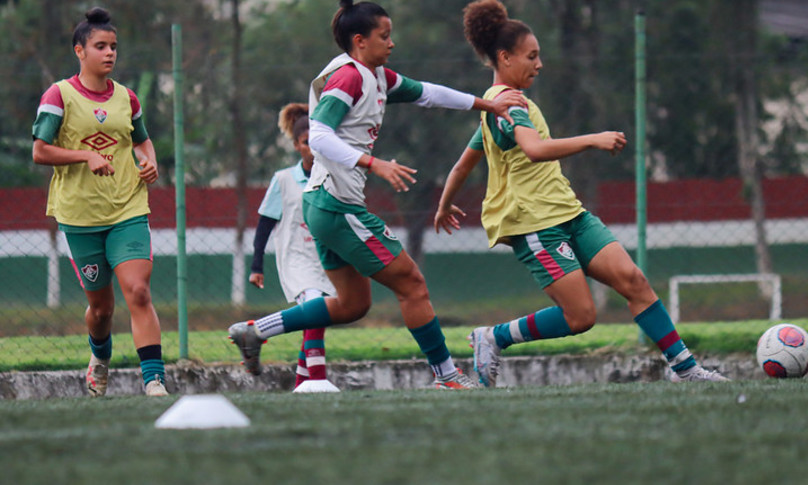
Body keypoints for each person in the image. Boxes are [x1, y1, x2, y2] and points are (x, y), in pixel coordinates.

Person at [228, 0, 526, 389]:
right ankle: (447, 376)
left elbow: (427, 93)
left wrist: (487, 104)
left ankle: (255, 331)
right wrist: (374, 164)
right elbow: (319, 135)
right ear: (360, 41)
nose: (391, 43)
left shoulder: (376, 75)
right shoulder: (348, 78)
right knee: (412, 283)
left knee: (352, 305)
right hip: (336, 205)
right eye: (384, 36)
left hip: (324, 205)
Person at [433, 0, 729, 387]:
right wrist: (593, 139)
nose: (539, 64)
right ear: (505, 57)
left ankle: (687, 371)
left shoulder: (502, 104)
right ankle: (494, 337)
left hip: (570, 215)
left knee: (634, 281)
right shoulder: (509, 106)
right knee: (581, 317)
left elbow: (463, 164)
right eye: (532, 56)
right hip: (536, 225)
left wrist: (444, 205)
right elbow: (535, 150)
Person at [31, 7, 168, 397]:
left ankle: (154, 379)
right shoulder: (59, 95)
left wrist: (150, 161)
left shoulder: (127, 98)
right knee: (102, 309)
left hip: (127, 208)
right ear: (80, 51)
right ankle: (100, 357)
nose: (110, 53)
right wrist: (86, 156)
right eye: (101, 46)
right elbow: (40, 151)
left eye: (114, 46)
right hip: (80, 216)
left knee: (138, 291)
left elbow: (141, 140)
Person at [248, 103, 340, 393]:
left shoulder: (334, 177)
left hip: (328, 261)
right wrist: (257, 266)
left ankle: (301, 384)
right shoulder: (284, 180)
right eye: (306, 142)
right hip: (297, 261)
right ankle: (318, 380)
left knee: (317, 318)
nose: (313, 149)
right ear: (296, 146)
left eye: (317, 142)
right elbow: (264, 224)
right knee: (314, 310)